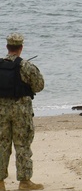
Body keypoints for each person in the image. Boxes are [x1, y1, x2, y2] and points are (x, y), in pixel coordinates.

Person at [0, 33, 45, 190]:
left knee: (1, 145)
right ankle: (25, 182)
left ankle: (0, 182)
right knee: (23, 145)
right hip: (21, 112)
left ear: (7, 47)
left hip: (1, 111)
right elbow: (39, 86)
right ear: (21, 48)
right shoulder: (26, 66)